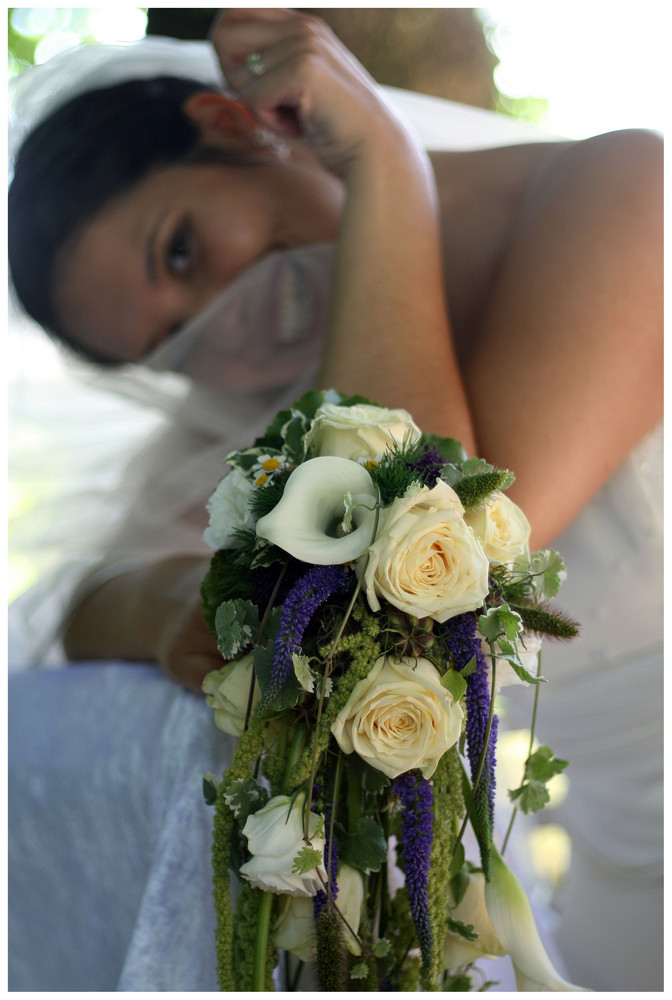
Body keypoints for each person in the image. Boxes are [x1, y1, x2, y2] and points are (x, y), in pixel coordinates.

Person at [8, 8, 663, 991]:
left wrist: (386, 172)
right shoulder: (263, 394)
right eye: (173, 345)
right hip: (631, 881)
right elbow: (77, 605)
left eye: (183, 252)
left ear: (234, 124)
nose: (223, 331)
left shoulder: (619, 192)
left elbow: (439, 547)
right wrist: (160, 605)